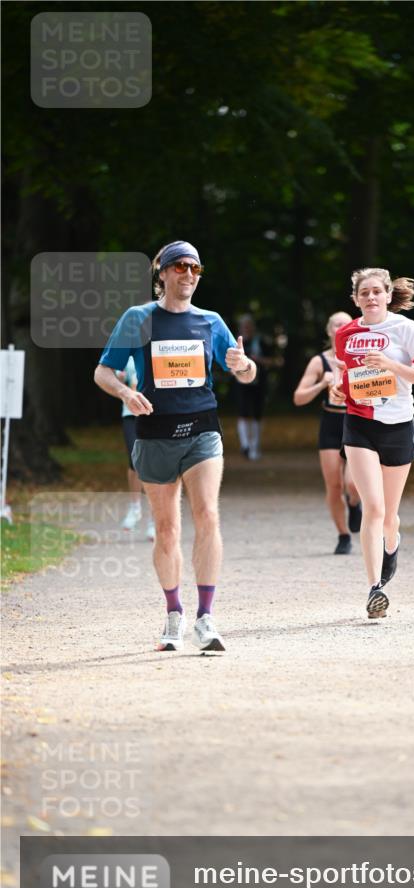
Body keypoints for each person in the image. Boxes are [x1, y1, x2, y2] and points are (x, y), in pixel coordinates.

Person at [94, 240, 256, 652]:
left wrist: (244, 365)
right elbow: (103, 372)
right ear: (162, 273)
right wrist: (126, 395)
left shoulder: (210, 321)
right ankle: (174, 612)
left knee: (208, 514)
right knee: (166, 529)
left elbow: (245, 372)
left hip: (202, 427)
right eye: (180, 267)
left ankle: (206, 616)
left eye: (195, 269)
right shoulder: (139, 318)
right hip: (154, 431)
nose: (188, 275)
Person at [330, 268, 414, 619]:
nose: (371, 297)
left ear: (388, 295)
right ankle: (375, 589)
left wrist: (391, 365)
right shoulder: (345, 334)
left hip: (399, 425)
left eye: (377, 291)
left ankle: (393, 544)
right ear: (356, 299)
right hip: (359, 423)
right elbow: (347, 378)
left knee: (390, 516)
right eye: (364, 293)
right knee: (372, 508)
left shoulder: (406, 329)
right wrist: (338, 386)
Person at [293, 311, 362, 554]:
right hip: (331, 424)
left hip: (356, 422)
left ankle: (355, 503)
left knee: (353, 484)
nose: (340, 328)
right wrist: (322, 383)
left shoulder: (362, 357)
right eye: (336, 324)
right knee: (334, 485)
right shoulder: (319, 361)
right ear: (329, 330)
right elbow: (298, 398)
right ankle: (343, 535)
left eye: (345, 324)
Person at [117, 356, 155, 541]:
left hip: (154, 412)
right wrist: (120, 379)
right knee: (135, 461)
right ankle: (135, 506)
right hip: (130, 413)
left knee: (153, 464)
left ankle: (154, 518)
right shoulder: (127, 348)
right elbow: (115, 378)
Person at [234, 313, 268, 460]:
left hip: (259, 383)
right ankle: (245, 445)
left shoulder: (261, 342)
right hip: (240, 384)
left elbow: (274, 361)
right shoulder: (235, 343)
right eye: (244, 326)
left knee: (257, 415)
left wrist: (257, 360)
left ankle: (255, 446)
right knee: (243, 413)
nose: (247, 328)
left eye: (249, 326)